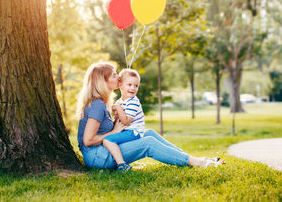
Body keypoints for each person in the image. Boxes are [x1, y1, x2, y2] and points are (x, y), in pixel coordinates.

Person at [76, 62, 224, 171]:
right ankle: (197, 163)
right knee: (148, 143)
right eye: (114, 76)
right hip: (98, 157)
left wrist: (116, 125)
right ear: (103, 81)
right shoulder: (97, 104)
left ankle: (192, 158)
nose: (118, 78)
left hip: (103, 151)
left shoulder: (104, 102)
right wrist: (113, 132)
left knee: (149, 133)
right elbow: (88, 140)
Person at [102, 69, 145, 171]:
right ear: (120, 85)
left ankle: (122, 165)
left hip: (134, 132)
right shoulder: (120, 101)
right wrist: (115, 110)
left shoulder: (133, 102)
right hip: (127, 131)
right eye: (129, 84)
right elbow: (118, 119)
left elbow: (126, 122)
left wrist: (118, 108)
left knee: (107, 140)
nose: (132, 88)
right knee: (110, 138)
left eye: (136, 85)